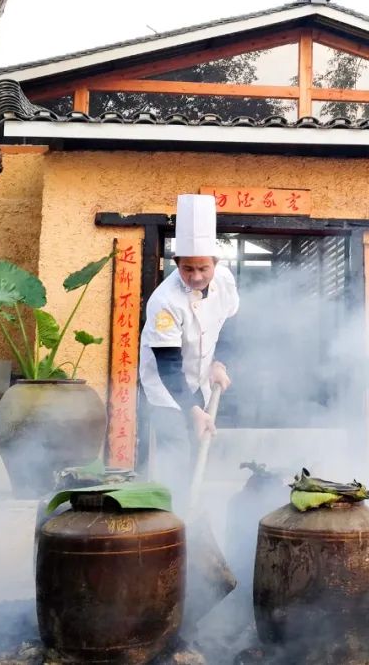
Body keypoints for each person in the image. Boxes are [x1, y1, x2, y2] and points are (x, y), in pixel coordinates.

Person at [139, 194, 239, 510]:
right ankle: (172, 522)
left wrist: (219, 362)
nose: (196, 276)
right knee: (175, 451)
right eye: (188, 268)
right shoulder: (164, 301)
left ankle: (191, 515)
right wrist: (192, 408)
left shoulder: (224, 281)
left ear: (216, 263)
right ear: (176, 263)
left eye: (203, 268)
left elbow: (229, 322)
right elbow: (168, 364)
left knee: (198, 450)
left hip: (200, 379)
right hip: (166, 389)